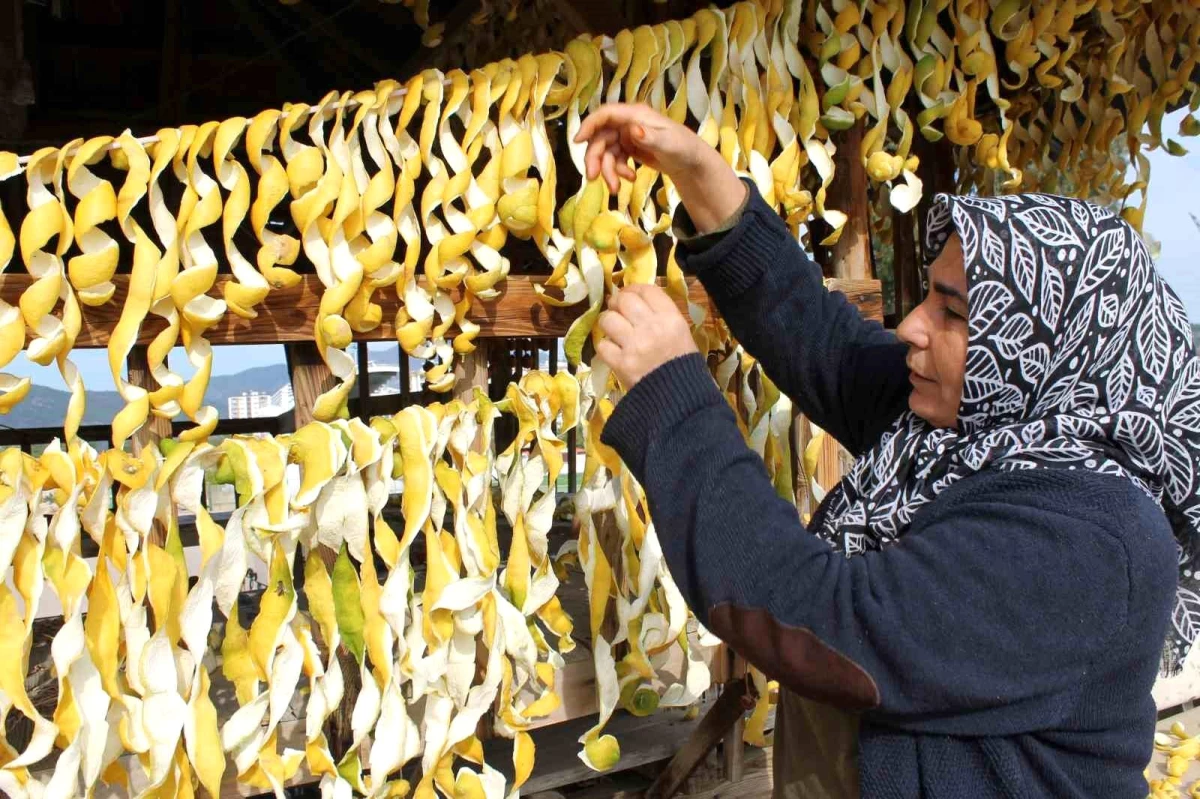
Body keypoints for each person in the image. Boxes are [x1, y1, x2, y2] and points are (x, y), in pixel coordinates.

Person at [574, 102, 1200, 799]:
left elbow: (826, 616)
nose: (911, 325)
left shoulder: (1094, 540)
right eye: (929, 296)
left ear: (1041, 348)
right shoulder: (973, 433)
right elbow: (823, 342)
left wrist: (675, 399)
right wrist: (700, 172)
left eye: (952, 312)